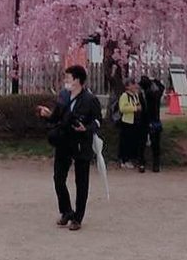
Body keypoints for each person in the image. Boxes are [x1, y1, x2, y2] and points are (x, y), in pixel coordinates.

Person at [37, 65, 102, 232]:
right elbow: (57, 117)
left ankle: (78, 217)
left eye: (68, 78)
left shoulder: (90, 99)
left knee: (81, 182)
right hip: (64, 141)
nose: (65, 81)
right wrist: (47, 115)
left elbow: (98, 121)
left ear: (78, 80)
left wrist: (86, 128)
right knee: (58, 178)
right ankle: (66, 211)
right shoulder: (63, 95)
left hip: (81, 143)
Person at [138, 76, 163, 173]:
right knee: (155, 144)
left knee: (142, 143)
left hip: (144, 120)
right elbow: (162, 87)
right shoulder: (156, 94)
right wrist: (155, 80)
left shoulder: (142, 95)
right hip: (155, 120)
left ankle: (141, 163)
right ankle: (156, 164)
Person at [116, 81, 142, 169]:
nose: (134, 86)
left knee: (132, 141)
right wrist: (134, 108)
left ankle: (130, 158)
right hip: (126, 121)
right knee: (125, 141)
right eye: (132, 84)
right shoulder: (124, 96)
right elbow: (122, 108)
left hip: (135, 121)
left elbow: (138, 105)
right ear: (127, 87)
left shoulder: (135, 96)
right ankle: (124, 160)